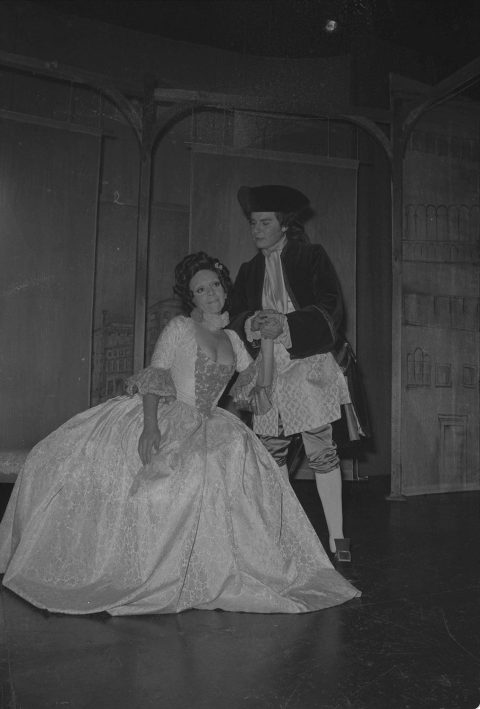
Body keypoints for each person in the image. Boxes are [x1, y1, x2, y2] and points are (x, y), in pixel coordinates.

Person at [0, 252, 360, 615]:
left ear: (225, 289)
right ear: (192, 298)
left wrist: (268, 340)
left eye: (214, 285)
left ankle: (209, 565)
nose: (210, 293)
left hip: (209, 420)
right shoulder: (180, 328)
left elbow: (259, 386)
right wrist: (150, 427)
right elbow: (156, 376)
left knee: (231, 461)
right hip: (167, 413)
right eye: (201, 290)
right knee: (133, 474)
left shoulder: (234, 340)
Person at [229, 185, 366, 563]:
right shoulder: (249, 270)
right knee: (271, 452)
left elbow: (331, 307)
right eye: (253, 223)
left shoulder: (311, 256)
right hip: (268, 368)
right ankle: (282, 534)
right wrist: (253, 322)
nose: (256, 230)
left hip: (306, 362)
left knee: (321, 449)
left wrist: (287, 325)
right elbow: (235, 315)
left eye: (265, 223)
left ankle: (337, 536)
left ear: (284, 225)